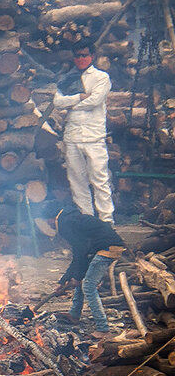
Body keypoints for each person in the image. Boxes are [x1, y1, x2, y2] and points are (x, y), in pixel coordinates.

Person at [54, 42, 113, 223]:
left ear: (92, 56)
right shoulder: (67, 78)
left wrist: (70, 103)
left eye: (84, 55)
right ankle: (87, 221)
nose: (81, 59)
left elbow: (94, 101)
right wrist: (79, 97)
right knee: (76, 181)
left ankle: (106, 221)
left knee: (99, 179)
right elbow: (57, 102)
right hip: (72, 136)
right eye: (77, 56)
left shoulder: (101, 77)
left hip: (93, 136)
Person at [55, 205, 125, 337]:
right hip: (103, 247)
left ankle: (103, 328)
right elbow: (78, 257)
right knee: (82, 279)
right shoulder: (73, 220)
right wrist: (63, 281)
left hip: (107, 247)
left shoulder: (66, 223)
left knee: (88, 285)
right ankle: (74, 315)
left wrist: (75, 277)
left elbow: (80, 252)